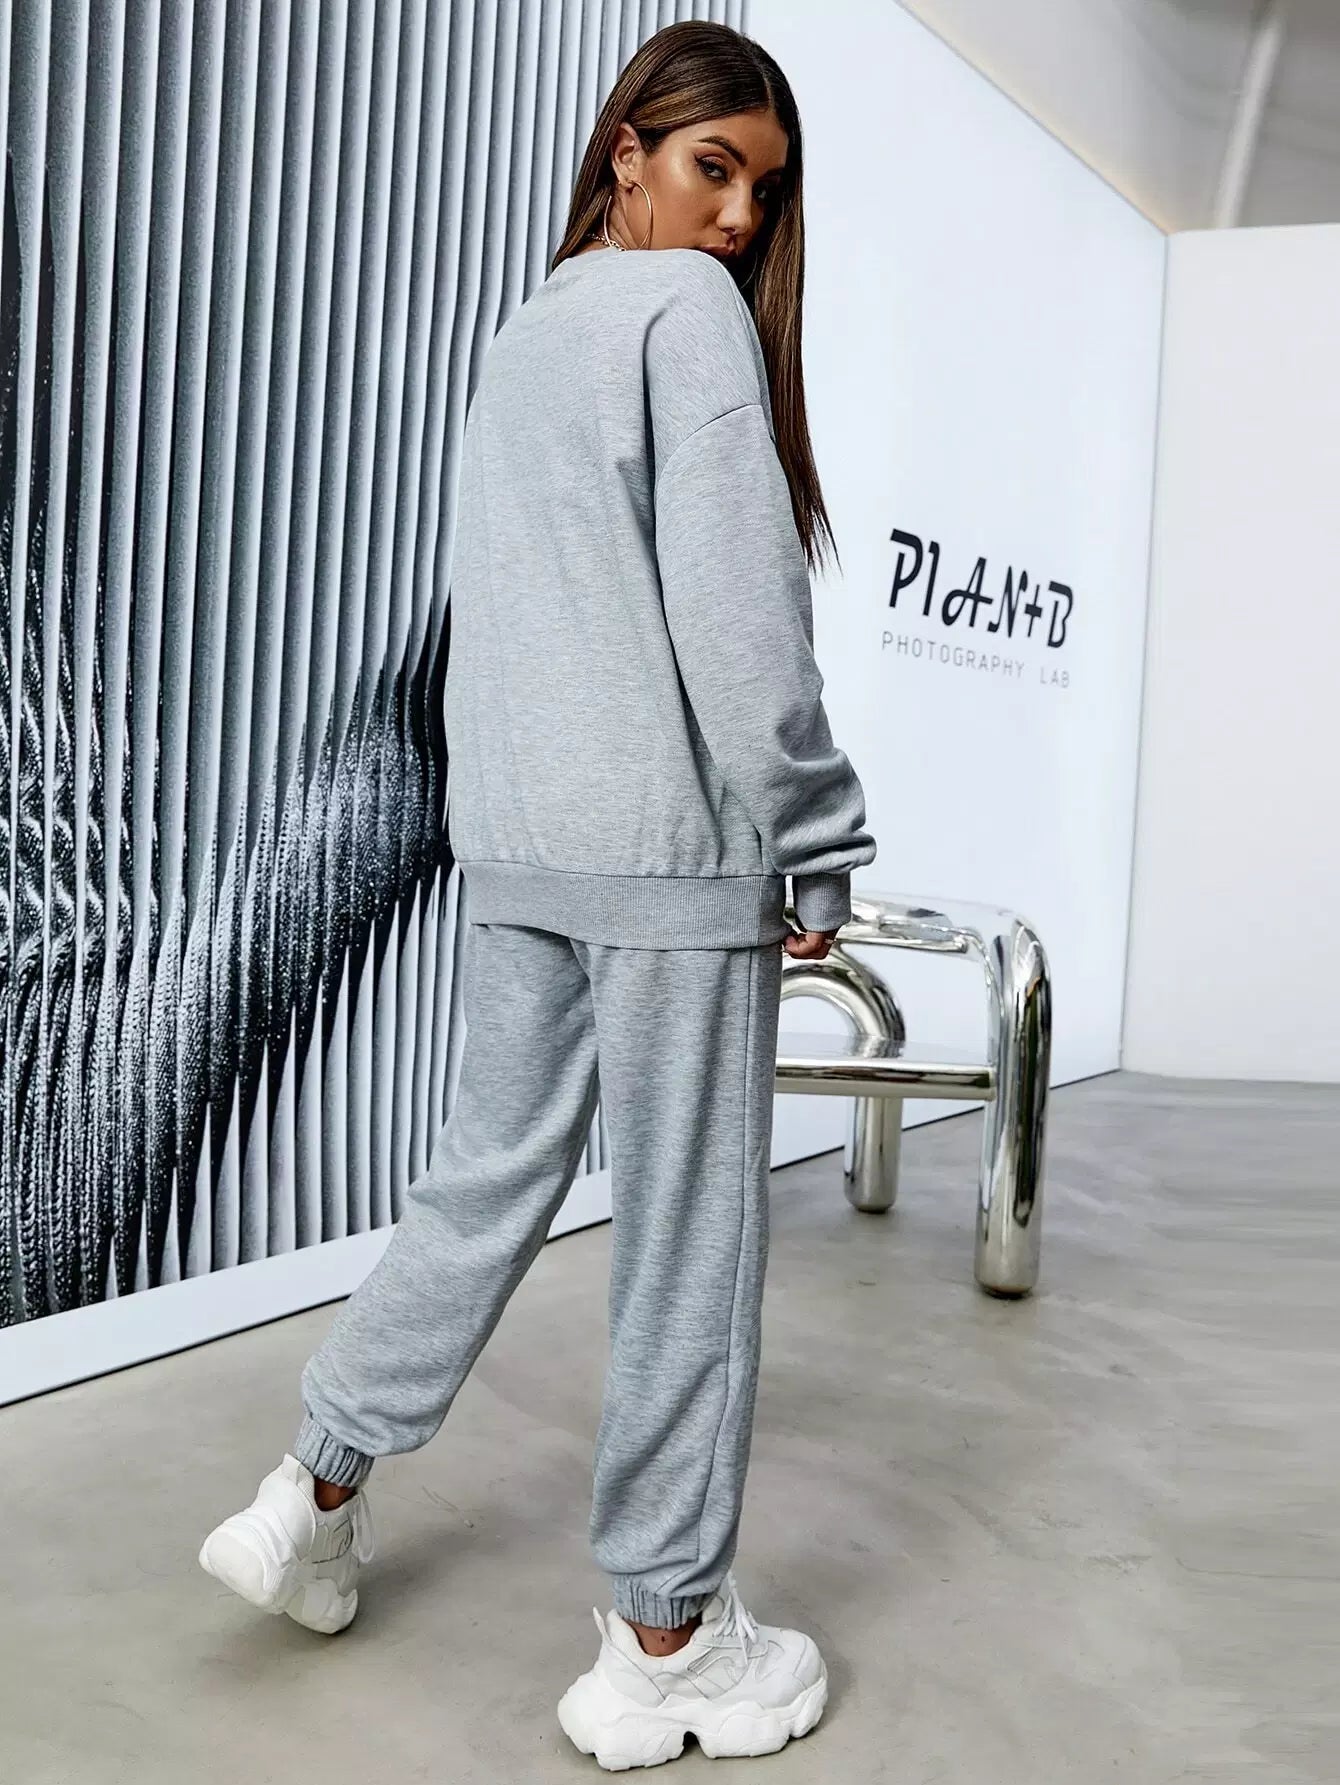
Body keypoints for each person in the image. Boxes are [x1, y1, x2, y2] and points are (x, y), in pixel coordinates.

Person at [198, 19, 874, 1772]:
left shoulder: (523, 334)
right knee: (689, 1242)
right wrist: (815, 833)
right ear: (626, 149)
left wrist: (497, 821)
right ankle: (668, 1641)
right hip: (667, 860)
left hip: (519, 848)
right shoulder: (689, 319)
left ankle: (311, 1491)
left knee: (483, 1181)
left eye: (764, 188)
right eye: (714, 166)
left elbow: (492, 626)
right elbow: (741, 626)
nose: (739, 217)